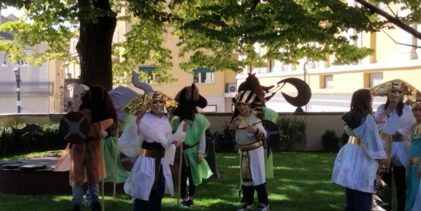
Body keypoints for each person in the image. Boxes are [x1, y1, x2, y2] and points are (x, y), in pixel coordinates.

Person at [122, 91, 186, 211]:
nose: (157, 104)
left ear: (164, 103)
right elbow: (135, 135)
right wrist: (138, 120)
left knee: (157, 193)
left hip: (161, 163)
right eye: (154, 102)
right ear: (149, 104)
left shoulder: (166, 119)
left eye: (160, 101)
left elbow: (167, 138)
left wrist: (175, 141)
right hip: (146, 161)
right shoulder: (143, 118)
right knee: (143, 191)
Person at [332, 89, 387, 211]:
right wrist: (381, 158)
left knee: (351, 194)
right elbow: (373, 141)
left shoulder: (350, 116)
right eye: (371, 98)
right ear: (367, 100)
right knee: (363, 193)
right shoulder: (367, 119)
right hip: (363, 157)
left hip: (350, 154)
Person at [67, 84, 118, 211]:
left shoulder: (98, 111)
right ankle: (77, 203)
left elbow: (110, 127)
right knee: (77, 175)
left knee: (93, 175)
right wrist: (74, 109)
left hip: (93, 144)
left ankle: (94, 201)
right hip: (78, 145)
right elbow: (68, 125)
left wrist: (105, 133)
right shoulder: (76, 109)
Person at [373, 80, 416, 211]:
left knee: (401, 182)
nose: (396, 94)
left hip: (402, 148)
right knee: (385, 182)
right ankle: (385, 208)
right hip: (385, 147)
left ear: (403, 94)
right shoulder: (381, 108)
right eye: (393, 91)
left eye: (399, 92)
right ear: (388, 93)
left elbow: (413, 128)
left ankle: (401, 208)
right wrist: (389, 109)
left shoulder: (408, 109)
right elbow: (376, 125)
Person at [171, 84, 213, 207]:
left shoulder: (199, 120)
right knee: (182, 175)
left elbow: (202, 137)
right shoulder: (176, 120)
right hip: (182, 152)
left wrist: (200, 153)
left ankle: (191, 197)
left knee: (193, 174)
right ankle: (183, 196)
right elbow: (173, 136)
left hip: (194, 151)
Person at [229, 90, 269, 211]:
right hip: (243, 151)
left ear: (249, 105)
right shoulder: (237, 119)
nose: (241, 107)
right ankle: (248, 202)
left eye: (244, 105)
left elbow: (264, 135)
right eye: (239, 105)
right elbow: (231, 128)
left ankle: (264, 204)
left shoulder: (255, 117)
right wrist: (232, 126)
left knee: (258, 176)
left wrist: (255, 130)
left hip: (255, 151)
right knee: (245, 178)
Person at [405, 99, 421, 211]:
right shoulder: (414, 125)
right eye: (415, 110)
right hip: (412, 165)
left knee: (417, 192)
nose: (417, 112)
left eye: (420, 110)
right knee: (411, 190)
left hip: (419, 165)